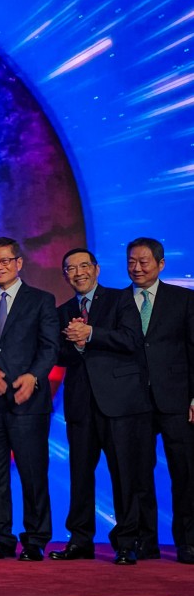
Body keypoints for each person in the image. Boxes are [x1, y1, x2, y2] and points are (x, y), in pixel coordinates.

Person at [48, 248, 153, 565]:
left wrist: (91, 333)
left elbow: (131, 340)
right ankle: (80, 540)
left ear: (96, 268)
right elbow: (59, 356)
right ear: (65, 275)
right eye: (70, 268)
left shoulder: (121, 299)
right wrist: (76, 344)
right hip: (80, 405)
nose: (77, 272)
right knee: (79, 474)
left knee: (124, 474)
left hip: (119, 403)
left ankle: (126, 542)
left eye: (83, 266)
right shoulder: (62, 310)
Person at [0, 237, 58, 561]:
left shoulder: (42, 300)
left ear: (19, 263)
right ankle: (1, 537)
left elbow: (50, 347)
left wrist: (33, 377)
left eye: (5, 260)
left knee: (33, 473)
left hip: (28, 400)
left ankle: (35, 539)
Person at [126, 237, 194, 565]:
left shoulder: (184, 300)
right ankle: (145, 541)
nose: (137, 268)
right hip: (133, 402)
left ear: (161, 264)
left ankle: (188, 541)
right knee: (139, 474)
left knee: (186, 473)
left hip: (177, 400)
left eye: (144, 262)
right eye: (131, 262)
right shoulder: (118, 301)